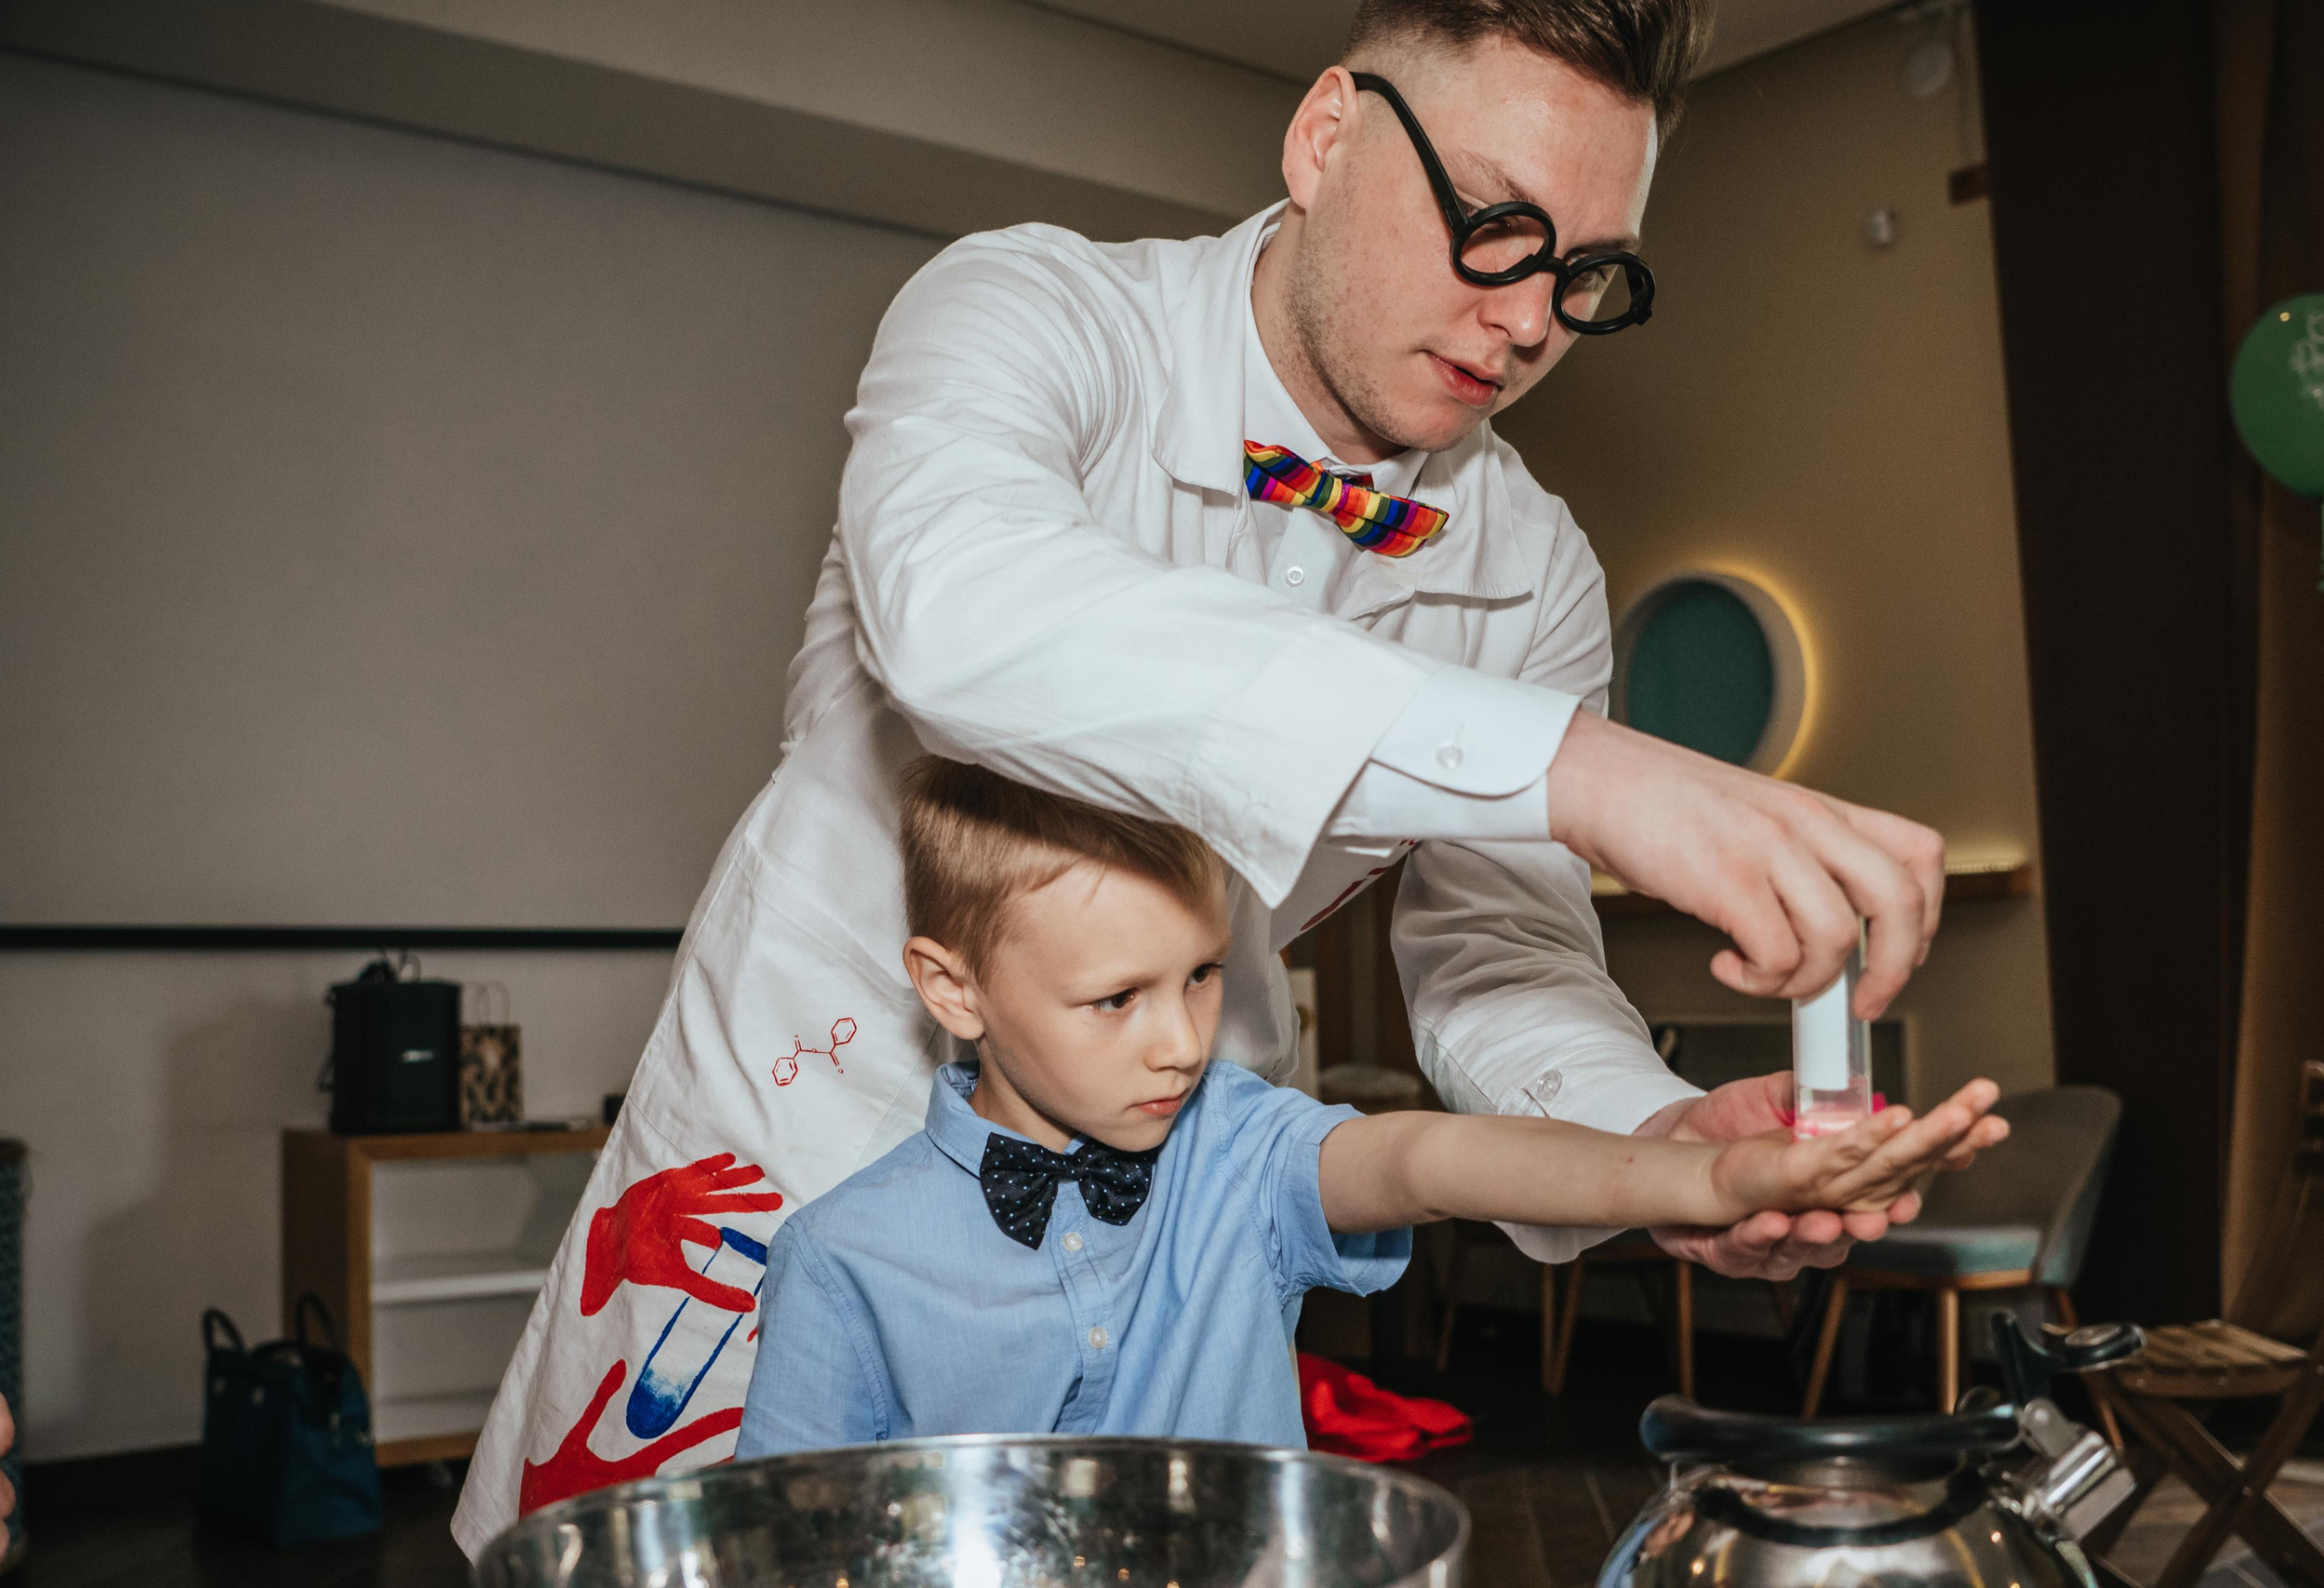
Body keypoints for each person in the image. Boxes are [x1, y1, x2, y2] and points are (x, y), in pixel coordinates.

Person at [457, 0, 1974, 1554]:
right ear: (1326, 136)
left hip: (1172, 1185)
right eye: (1496, 227)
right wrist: (1574, 767)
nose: (1531, 322)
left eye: (1584, 272)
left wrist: (1655, 1151)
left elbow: (1501, 958)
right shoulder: (1032, 312)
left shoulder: (1531, 570)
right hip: (801, 1140)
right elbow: (961, 610)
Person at [734, 762, 2002, 1455]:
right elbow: (791, 1547)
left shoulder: (1230, 1142)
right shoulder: (842, 1257)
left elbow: (1429, 1161)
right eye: (1115, 1000)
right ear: (952, 988)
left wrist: (1707, 1184)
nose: (1181, 1042)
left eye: (1200, 978)